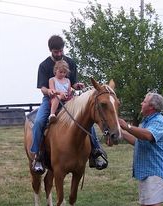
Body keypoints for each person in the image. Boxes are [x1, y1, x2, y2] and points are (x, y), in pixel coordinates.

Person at [31, 35, 108, 174]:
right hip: (51, 100)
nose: (59, 54)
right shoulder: (44, 65)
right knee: (38, 123)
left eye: (61, 51)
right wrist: (50, 91)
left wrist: (76, 86)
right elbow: (42, 88)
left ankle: (95, 151)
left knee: (86, 120)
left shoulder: (70, 63)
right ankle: (38, 156)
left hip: (69, 100)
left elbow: (71, 84)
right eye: (56, 52)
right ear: (50, 50)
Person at [48, 60, 72, 124]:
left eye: (64, 72)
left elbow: (69, 91)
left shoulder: (67, 80)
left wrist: (69, 94)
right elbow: (52, 90)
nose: (62, 74)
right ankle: (52, 114)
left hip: (66, 98)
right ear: (55, 70)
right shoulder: (52, 80)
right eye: (60, 72)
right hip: (55, 98)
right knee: (58, 97)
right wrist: (60, 93)